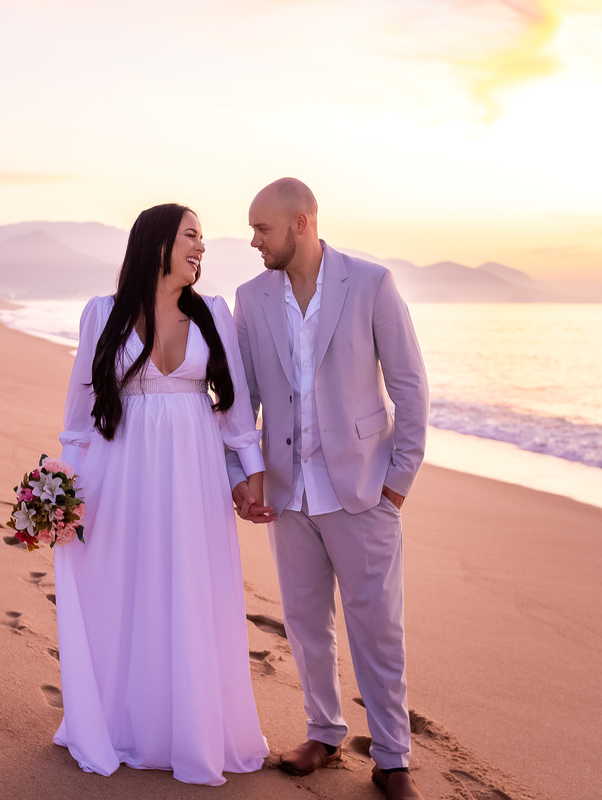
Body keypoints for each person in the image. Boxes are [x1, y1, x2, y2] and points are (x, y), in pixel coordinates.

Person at [226, 179, 430, 800]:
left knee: (378, 627)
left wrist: (396, 484)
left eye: (263, 229)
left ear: (303, 223)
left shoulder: (370, 284)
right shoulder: (251, 297)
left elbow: (410, 386)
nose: (255, 241)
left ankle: (392, 756)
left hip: (363, 490)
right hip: (289, 493)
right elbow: (244, 399)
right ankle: (323, 731)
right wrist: (245, 474)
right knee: (306, 622)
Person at [53, 203, 269, 785]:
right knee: (124, 586)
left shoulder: (212, 314)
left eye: (203, 239)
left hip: (192, 474)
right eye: (191, 237)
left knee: (189, 586)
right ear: (156, 244)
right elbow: (78, 419)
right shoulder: (103, 314)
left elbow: (235, 408)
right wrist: (60, 490)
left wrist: (250, 474)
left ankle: (188, 727)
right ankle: (126, 720)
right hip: (121, 473)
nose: (201, 248)